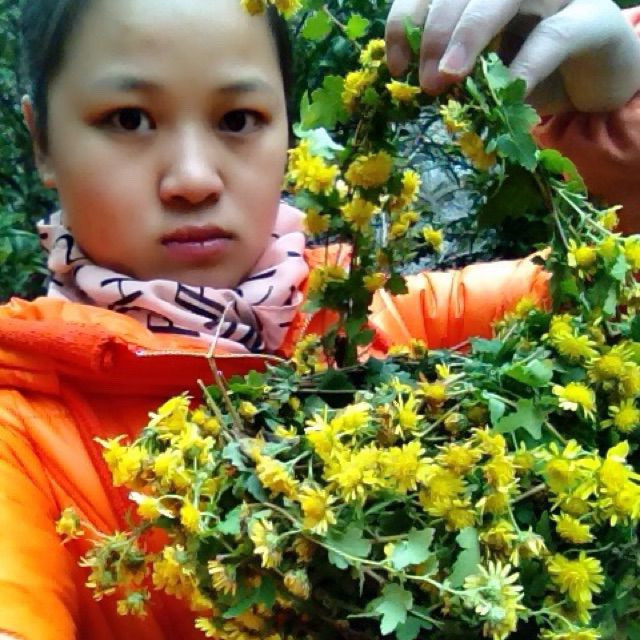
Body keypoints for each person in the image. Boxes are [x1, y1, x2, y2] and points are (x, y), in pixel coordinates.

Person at [0, 0, 638, 638]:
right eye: (129, 119)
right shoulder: (22, 434)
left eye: (238, 119)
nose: (193, 180)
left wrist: (621, 125)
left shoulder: (375, 317)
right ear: (42, 142)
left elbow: (610, 287)